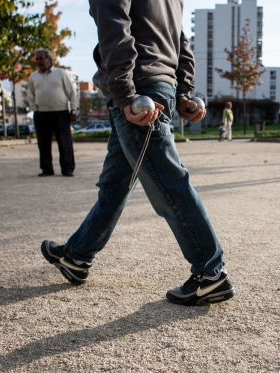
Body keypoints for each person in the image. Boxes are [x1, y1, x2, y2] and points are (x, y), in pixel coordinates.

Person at [40, 0, 235, 306]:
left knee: (169, 184)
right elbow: (179, 38)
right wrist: (182, 89)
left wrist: (124, 92)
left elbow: (114, 24)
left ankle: (211, 274)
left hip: (138, 90)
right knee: (114, 185)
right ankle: (77, 256)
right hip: (158, 86)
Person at [27, 49, 78, 177]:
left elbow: (71, 92)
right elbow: (30, 95)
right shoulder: (33, 76)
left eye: (41, 58)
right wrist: (34, 108)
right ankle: (46, 169)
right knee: (43, 143)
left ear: (49, 59)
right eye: (37, 59)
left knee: (64, 142)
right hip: (41, 113)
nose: (39, 61)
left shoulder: (60, 73)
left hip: (60, 112)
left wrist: (73, 109)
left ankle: (68, 168)